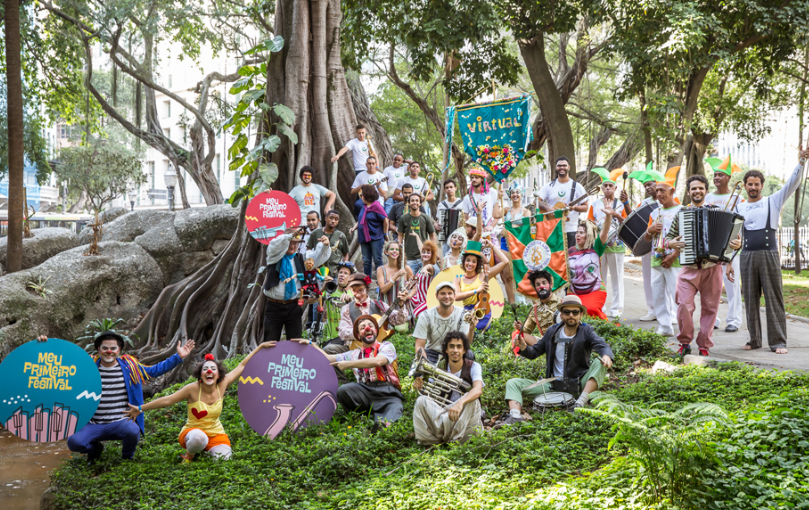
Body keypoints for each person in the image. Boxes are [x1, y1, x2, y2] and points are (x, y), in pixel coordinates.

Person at [124, 343, 275, 462]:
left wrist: (260, 347)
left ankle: (208, 450)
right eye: (206, 369)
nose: (209, 371)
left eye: (213, 369)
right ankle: (189, 455)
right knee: (198, 438)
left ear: (218, 374)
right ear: (200, 374)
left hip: (216, 434)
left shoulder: (222, 385)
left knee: (224, 461)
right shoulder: (192, 389)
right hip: (193, 433)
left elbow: (242, 365)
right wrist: (140, 408)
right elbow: (168, 400)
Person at [64, 332, 195, 462]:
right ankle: (95, 450)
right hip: (93, 424)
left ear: (119, 349)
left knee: (132, 431)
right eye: (105, 348)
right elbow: (60, 364)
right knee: (74, 442)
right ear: (99, 349)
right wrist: (44, 346)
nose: (109, 351)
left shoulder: (130, 367)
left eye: (113, 348)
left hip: (119, 422)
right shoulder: (88, 367)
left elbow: (154, 371)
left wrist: (178, 357)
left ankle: (127, 458)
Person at [499, 295, 614, 427]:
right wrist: (524, 347)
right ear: (561, 314)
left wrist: (606, 355)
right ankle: (515, 416)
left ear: (581, 314)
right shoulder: (552, 332)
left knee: (599, 362)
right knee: (513, 383)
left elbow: (602, 345)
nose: (571, 315)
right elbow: (535, 352)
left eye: (575, 312)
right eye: (567, 312)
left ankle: (579, 404)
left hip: (579, 384)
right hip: (552, 386)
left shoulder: (586, 331)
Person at [736, 150, 809, 354]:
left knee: (773, 298)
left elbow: (791, 184)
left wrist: (802, 162)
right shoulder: (739, 207)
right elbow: (733, 236)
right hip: (747, 255)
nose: (753, 187)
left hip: (768, 254)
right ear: (745, 186)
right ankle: (754, 339)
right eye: (749, 184)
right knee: (750, 299)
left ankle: (777, 342)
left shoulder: (773, 201)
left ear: (762, 185)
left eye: (756, 184)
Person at [666, 175, 742, 356]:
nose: (697, 191)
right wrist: (671, 244)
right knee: (684, 305)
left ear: (706, 191)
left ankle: (704, 346)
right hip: (688, 269)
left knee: (710, 309)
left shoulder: (719, 211)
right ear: (688, 192)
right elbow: (668, 238)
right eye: (694, 188)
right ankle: (685, 342)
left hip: (712, 268)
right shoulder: (681, 213)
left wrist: (736, 248)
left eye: (700, 188)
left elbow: (734, 240)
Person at [304, 315, 404, 427]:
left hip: (388, 392)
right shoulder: (354, 354)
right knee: (344, 390)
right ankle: (360, 417)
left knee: (395, 408)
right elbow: (327, 357)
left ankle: (383, 425)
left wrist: (348, 364)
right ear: (358, 335)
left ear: (376, 331)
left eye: (371, 326)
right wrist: (310, 344)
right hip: (365, 391)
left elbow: (378, 361)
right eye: (362, 328)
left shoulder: (386, 346)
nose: (367, 328)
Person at [412, 331, 484, 445]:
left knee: (471, 398)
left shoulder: (474, 366)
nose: (455, 350)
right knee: (421, 401)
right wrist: (421, 388)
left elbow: (478, 390)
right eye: (451, 346)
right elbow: (429, 396)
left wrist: (460, 403)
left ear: (464, 350)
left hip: (465, 420)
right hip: (445, 415)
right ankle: (433, 440)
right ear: (446, 349)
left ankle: (455, 440)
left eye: (459, 347)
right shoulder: (439, 366)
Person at [263, 228, 331, 342]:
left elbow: (317, 257)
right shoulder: (274, 256)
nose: (293, 246)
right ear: (284, 242)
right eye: (290, 242)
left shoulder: (301, 258)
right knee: (270, 342)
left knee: (295, 342)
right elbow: (274, 245)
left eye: (295, 243)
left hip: (293, 306)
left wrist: (325, 245)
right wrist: (288, 236)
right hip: (273, 306)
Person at [703, 156, 743, 332]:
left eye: (720, 175)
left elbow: (742, 223)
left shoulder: (738, 198)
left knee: (732, 284)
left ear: (728, 178)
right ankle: (715, 317)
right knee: (712, 286)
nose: (717, 178)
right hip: (712, 246)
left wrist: (738, 242)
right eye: (715, 175)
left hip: (731, 247)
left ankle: (734, 319)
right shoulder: (708, 196)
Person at [643, 167, 683, 337]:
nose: (658, 194)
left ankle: (682, 327)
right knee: (658, 294)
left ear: (672, 191)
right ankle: (664, 326)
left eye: (662, 191)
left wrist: (673, 255)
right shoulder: (654, 212)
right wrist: (650, 230)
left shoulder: (682, 210)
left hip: (675, 259)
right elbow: (646, 239)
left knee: (677, 295)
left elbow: (685, 238)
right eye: (657, 190)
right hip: (657, 258)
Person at [329, 272, 408, 355]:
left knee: (389, 350)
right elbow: (343, 332)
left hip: (377, 348)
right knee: (328, 349)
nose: (358, 294)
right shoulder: (347, 308)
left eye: (361, 290)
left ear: (367, 289)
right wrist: (361, 332)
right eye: (354, 290)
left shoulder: (380, 305)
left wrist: (401, 305)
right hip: (354, 349)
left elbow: (399, 320)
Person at [587, 168, 628, 319]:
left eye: (611, 186)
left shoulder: (620, 205)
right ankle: (600, 305)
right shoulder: (595, 204)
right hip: (599, 247)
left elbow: (627, 222)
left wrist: (615, 214)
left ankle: (617, 308)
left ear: (615, 188)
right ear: (602, 188)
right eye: (605, 186)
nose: (608, 188)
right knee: (600, 278)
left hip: (616, 246)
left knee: (617, 277)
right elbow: (589, 224)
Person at [567, 205, 617, 319]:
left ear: (588, 235)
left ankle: (604, 328)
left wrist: (608, 216)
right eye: (577, 232)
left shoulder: (596, 248)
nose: (578, 235)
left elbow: (604, 233)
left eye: (582, 232)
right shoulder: (569, 251)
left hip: (595, 291)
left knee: (589, 310)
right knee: (569, 313)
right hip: (574, 292)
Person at [452, 239, 510, 330]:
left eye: (474, 261)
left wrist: (491, 245)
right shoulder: (458, 279)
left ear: (477, 263)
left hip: (483, 312)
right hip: (466, 313)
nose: (470, 264)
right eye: (468, 260)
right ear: (463, 262)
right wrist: (476, 291)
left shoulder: (483, 275)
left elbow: (505, 261)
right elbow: (456, 296)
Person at [628, 170, 662, 322]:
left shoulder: (669, 199)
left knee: (667, 278)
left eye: (650, 184)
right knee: (648, 279)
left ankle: (670, 312)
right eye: (645, 185)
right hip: (649, 245)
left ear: (658, 183)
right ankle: (652, 310)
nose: (648, 187)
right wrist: (625, 204)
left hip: (665, 246)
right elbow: (633, 218)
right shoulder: (644, 203)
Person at [413, 282, 476, 363]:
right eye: (443, 293)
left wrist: (471, 330)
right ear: (436, 296)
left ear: (454, 296)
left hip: (455, 351)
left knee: (469, 356)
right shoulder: (425, 316)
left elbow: (466, 343)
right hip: (433, 352)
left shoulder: (464, 314)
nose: (447, 296)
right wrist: (424, 365)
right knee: (418, 371)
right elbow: (419, 346)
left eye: (450, 293)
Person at [537, 156, 588, 248]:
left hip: (571, 229)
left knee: (570, 258)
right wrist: (548, 209)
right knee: (554, 259)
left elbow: (585, 207)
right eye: (559, 166)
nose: (562, 168)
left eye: (564, 165)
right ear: (556, 167)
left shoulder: (577, 186)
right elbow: (537, 202)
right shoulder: (549, 186)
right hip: (552, 229)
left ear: (569, 167)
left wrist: (574, 207)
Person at [511, 270, 561, 354]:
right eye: (538, 285)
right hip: (544, 345)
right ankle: (519, 359)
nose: (541, 286)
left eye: (544, 283)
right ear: (535, 289)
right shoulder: (534, 309)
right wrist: (519, 327)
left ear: (550, 285)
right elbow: (526, 332)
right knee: (517, 335)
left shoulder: (562, 303)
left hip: (562, 342)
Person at [349, 184, 388, 277]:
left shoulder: (377, 206)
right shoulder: (364, 206)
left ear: (367, 195)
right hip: (364, 237)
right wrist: (354, 228)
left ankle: (381, 281)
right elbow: (361, 219)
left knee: (377, 260)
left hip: (376, 236)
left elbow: (385, 220)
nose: (361, 196)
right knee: (366, 261)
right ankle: (367, 282)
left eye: (362, 195)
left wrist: (385, 233)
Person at [398, 193, 437, 274]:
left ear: (420, 203)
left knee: (425, 280)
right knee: (411, 282)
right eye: (412, 200)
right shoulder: (403, 218)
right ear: (409, 203)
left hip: (424, 256)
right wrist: (400, 252)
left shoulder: (426, 217)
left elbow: (432, 235)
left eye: (416, 200)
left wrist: (434, 251)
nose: (414, 202)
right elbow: (400, 236)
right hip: (409, 258)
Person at [321, 261, 356, 345]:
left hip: (347, 338)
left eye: (345, 273)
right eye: (340, 272)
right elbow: (311, 300)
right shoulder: (330, 290)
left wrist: (351, 301)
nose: (342, 275)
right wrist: (322, 289)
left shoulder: (354, 293)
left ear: (351, 277)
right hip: (329, 337)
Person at [306, 209, 350, 277]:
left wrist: (342, 268)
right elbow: (308, 249)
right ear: (326, 218)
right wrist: (312, 265)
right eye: (331, 218)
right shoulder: (315, 233)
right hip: (318, 272)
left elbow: (345, 254)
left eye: (336, 219)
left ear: (338, 221)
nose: (333, 221)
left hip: (335, 272)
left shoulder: (341, 235)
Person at [461, 166, 502, 231]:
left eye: (476, 177)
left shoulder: (492, 192)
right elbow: (464, 218)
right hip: (474, 233)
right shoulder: (467, 198)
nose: (474, 179)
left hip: (490, 232)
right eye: (472, 178)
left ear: (482, 179)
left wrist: (491, 227)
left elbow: (498, 215)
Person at [410, 239, 442, 318]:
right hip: (417, 298)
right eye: (423, 252)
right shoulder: (421, 268)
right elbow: (420, 246)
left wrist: (425, 269)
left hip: (427, 300)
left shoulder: (431, 266)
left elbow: (428, 268)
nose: (425, 254)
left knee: (415, 314)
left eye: (428, 253)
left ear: (432, 254)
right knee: (406, 301)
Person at [376, 239, 413, 308]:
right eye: (392, 249)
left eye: (397, 249)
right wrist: (396, 275)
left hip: (402, 307)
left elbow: (415, 287)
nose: (394, 251)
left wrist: (407, 297)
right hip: (386, 308)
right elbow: (383, 290)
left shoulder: (406, 268)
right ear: (386, 252)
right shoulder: (381, 269)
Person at [436, 179, 464, 255]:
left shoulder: (462, 204)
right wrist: (436, 225)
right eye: (447, 188)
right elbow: (438, 221)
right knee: (446, 259)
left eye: (451, 187)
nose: (449, 189)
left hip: (460, 237)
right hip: (446, 237)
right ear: (444, 190)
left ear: (455, 188)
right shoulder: (441, 205)